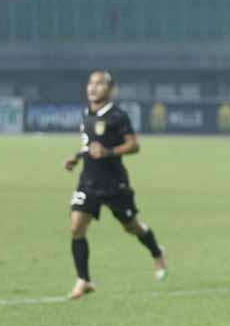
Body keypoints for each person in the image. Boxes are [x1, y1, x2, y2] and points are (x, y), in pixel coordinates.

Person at [64, 71, 166, 300]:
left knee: (131, 227)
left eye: (99, 84)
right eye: (90, 82)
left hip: (114, 183)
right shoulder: (86, 114)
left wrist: (109, 152)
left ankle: (157, 253)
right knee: (76, 226)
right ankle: (84, 280)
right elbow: (88, 145)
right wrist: (76, 157)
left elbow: (134, 145)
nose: (93, 87)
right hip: (88, 180)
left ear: (109, 89)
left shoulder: (118, 116)